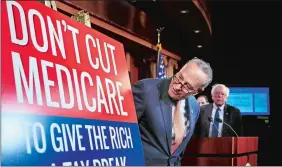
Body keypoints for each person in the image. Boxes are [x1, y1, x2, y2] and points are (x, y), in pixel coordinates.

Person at [132, 58, 213, 166]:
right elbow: (122, 132)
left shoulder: (194, 106)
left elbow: (177, 152)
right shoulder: (145, 89)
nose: (178, 86)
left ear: (197, 91)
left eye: (187, 86)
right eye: (179, 77)